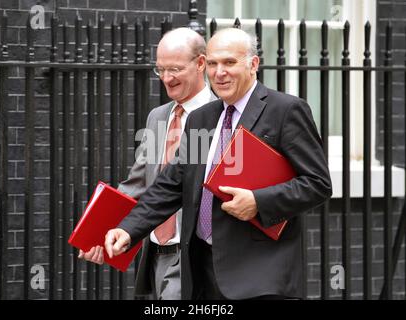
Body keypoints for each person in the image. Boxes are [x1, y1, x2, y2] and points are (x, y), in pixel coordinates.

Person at [102, 28, 332, 300]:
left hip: (261, 277)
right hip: (202, 274)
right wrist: (128, 229)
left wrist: (259, 201)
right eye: (212, 64)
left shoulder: (286, 110)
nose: (219, 72)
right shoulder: (201, 118)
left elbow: (318, 184)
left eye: (229, 63)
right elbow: (171, 185)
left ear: (253, 64)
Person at [78, 27, 216, 300]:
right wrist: (99, 237)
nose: (166, 78)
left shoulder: (221, 115)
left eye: (174, 69)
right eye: (160, 70)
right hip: (155, 257)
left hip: (194, 259)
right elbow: (139, 183)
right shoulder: (158, 117)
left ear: (200, 64)